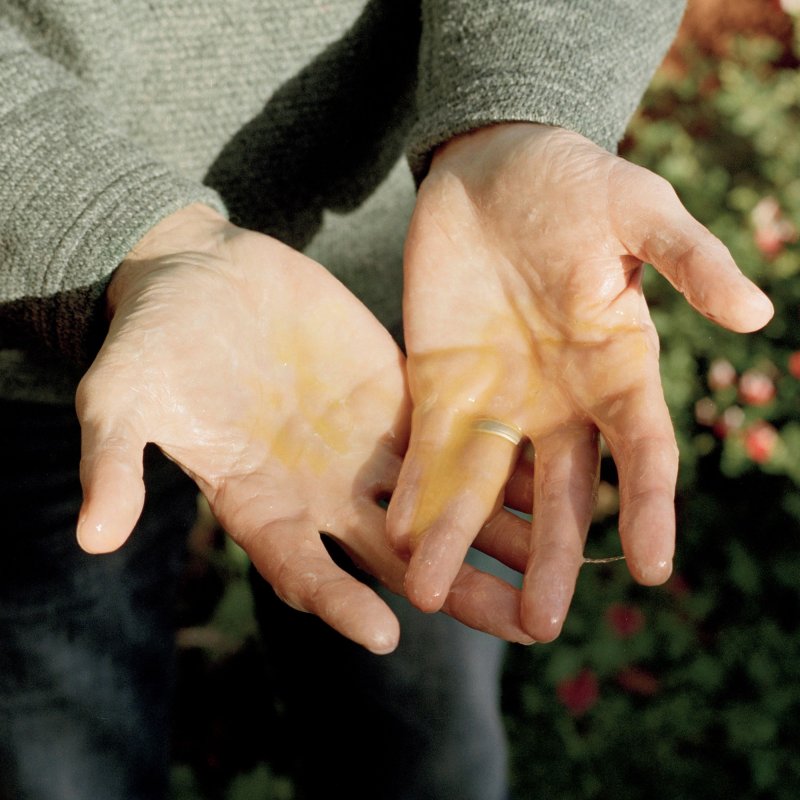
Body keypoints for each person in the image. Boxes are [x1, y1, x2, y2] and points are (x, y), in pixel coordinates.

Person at [0, 1, 773, 799]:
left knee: (426, 746)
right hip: (34, 324)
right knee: (61, 756)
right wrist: (98, 224)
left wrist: (523, 108)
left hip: (439, 321)